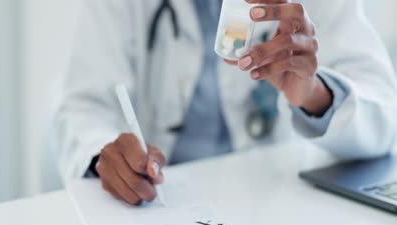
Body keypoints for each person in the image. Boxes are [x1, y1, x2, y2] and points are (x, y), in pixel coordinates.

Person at [55, 0, 397, 205]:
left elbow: (383, 116)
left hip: (281, 206)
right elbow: (85, 106)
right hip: (163, 204)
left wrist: (315, 96)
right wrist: (106, 156)